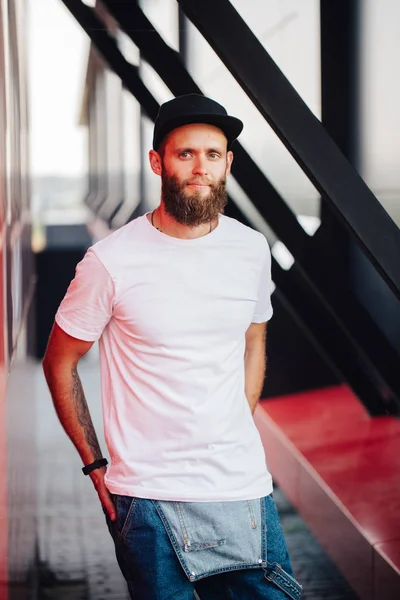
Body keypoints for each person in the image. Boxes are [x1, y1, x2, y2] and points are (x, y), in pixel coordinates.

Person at [43, 94, 302, 600]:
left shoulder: (251, 249)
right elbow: (60, 361)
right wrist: (95, 464)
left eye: (212, 154)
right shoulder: (109, 261)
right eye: (186, 154)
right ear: (158, 162)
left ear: (228, 162)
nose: (200, 167)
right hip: (148, 499)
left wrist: (237, 418)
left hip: (242, 489)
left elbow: (253, 339)